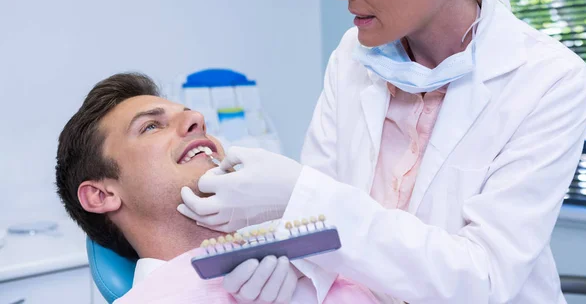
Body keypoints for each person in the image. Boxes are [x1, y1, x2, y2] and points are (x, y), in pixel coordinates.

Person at [179, 0, 586, 303]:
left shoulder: (550, 80)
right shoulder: (351, 57)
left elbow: (483, 277)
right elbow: (318, 227)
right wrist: (289, 264)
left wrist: (299, 194)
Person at [55, 73, 377, 303]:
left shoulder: (311, 259)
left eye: (189, 114)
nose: (197, 119)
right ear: (102, 195)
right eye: (151, 126)